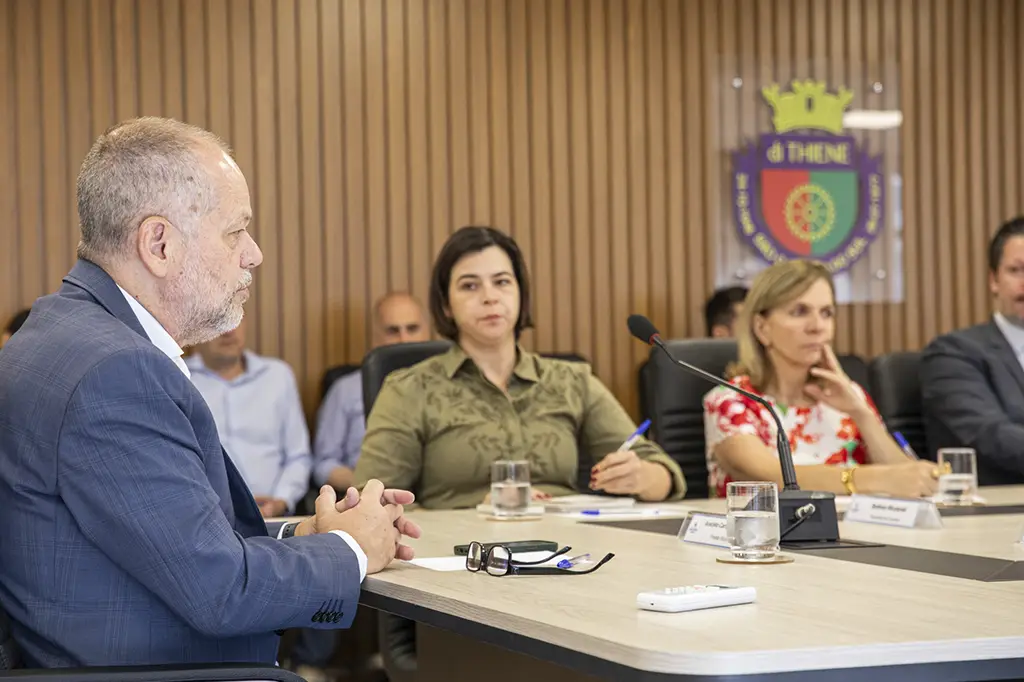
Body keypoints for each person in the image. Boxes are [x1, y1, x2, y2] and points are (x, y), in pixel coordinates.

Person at [0, 117, 419, 668]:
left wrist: (311, 531)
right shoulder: (115, 371)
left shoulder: (58, 333)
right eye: (235, 230)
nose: (254, 254)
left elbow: (171, 540)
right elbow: (220, 591)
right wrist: (353, 548)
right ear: (160, 244)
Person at [353, 225, 687, 508]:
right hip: (458, 559)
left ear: (521, 293)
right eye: (469, 286)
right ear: (446, 305)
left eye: (502, 282)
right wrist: (473, 514)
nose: (489, 297)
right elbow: (370, 505)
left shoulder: (571, 381)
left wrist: (642, 476)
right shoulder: (410, 389)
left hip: (568, 551)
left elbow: (666, 474)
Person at [702, 259, 939, 499]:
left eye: (826, 313)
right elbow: (772, 476)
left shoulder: (848, 393)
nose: (818, 327)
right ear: (762, 328)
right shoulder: (731, 401)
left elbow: (909, 482)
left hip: (858, 533)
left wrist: (861, 413)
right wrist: (873, 478)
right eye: (800, 312)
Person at [921, 217, 1024, 485]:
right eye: (1017, 270)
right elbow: (992, 434)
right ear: (994, 280)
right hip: (997, 511)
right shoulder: (952, 354)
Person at [187, 317, 312, 517]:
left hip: (276, 517)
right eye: (217, 321)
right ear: (194, 330)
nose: (228, 331)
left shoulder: (278, 376)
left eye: (234, 319)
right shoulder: (180, 379)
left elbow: (298, 457)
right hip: (211, 519)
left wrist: (281, 501)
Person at [314, 292, 430, 491]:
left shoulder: (452, 385)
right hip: (369, 499)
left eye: (412, 329)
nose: (404, 339)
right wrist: (367, 485)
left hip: (439, 501)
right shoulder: (345, 390)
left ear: (428, 332)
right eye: (393, 331)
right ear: (375, 338)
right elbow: (323, 464)